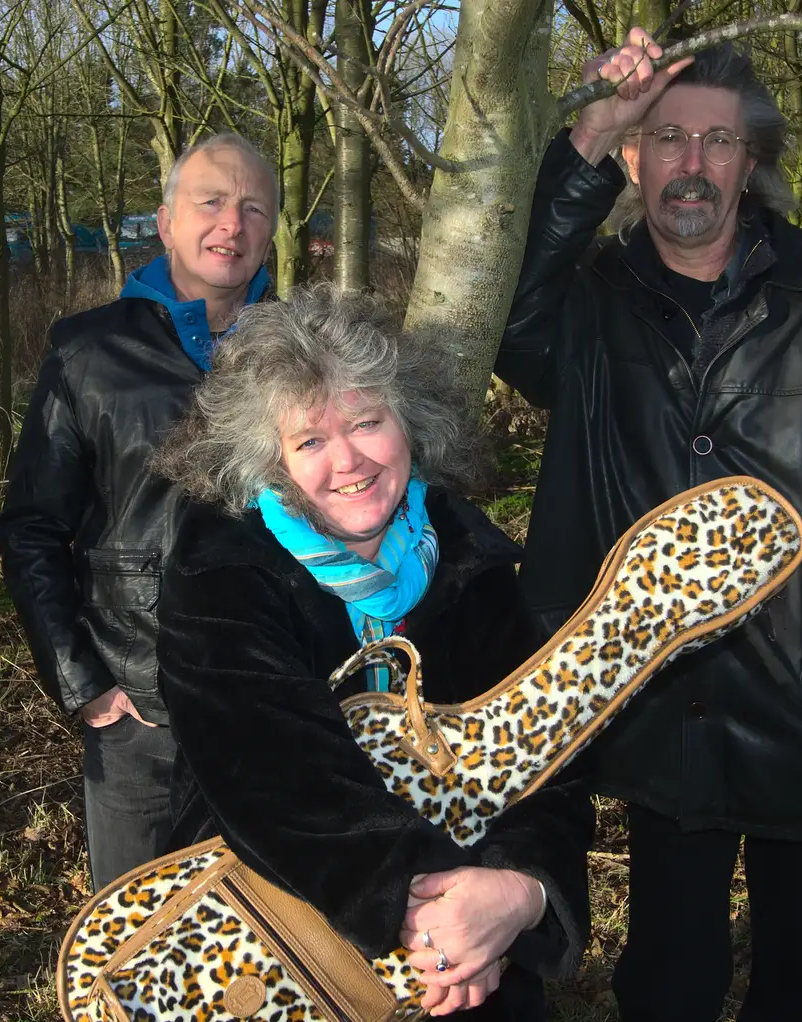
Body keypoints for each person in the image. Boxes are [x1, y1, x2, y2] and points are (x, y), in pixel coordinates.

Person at [497, 32, 802, 1022]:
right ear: (634, 157)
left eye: (719, 141)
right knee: (668, 981)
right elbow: (507, 315)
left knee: (800, 985)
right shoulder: (592, 305)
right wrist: (586, 129)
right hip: (661, 715)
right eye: (666, 137)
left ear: (751, 159)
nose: (693, 164)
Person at [151, 286, 593, 1018]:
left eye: (366, 422)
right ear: (271, 461)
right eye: (311, 441)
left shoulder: (466, 558)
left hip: (479, 940)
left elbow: (547, 749)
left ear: (410, 423)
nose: (349, 461)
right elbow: (271, 774)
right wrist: (430, 919)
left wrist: (517, 893)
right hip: (281, 943)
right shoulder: (223, 570)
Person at [0, 133, 277, 890]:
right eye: (211, 202)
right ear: (164, 220)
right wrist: (84, 682)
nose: (232, 224)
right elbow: (31, 527)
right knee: (137, 937)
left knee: (272, 933)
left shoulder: (305, 351)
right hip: (140, 711)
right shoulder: (89, 352)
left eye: (254, 207)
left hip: (279, 702)